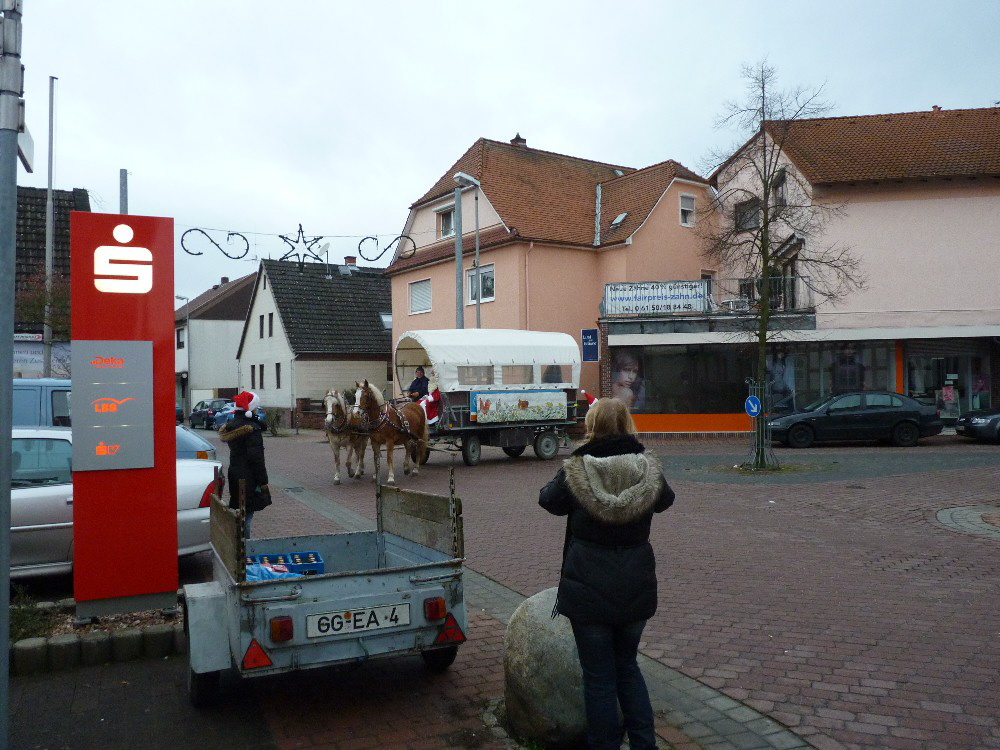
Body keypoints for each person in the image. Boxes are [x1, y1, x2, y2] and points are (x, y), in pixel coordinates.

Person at [539, 397, 674, 750]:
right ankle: (644, 744)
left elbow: (548, 500)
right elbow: (666, 499)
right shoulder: (646, 467)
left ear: (592, 425)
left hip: (588, 587)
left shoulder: (577, 468)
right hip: (635, 585)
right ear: (627, 424)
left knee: (598, 678)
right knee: (628, 667)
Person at [218, 390, 272, 538]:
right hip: (249, 477)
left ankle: (239, 542)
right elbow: (256, 458)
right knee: (246, 515)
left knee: (239, 510)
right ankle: (244, 546)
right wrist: (263, 482)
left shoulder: (233, 426)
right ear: (250, 409)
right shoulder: (251, 430)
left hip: (235, 473)